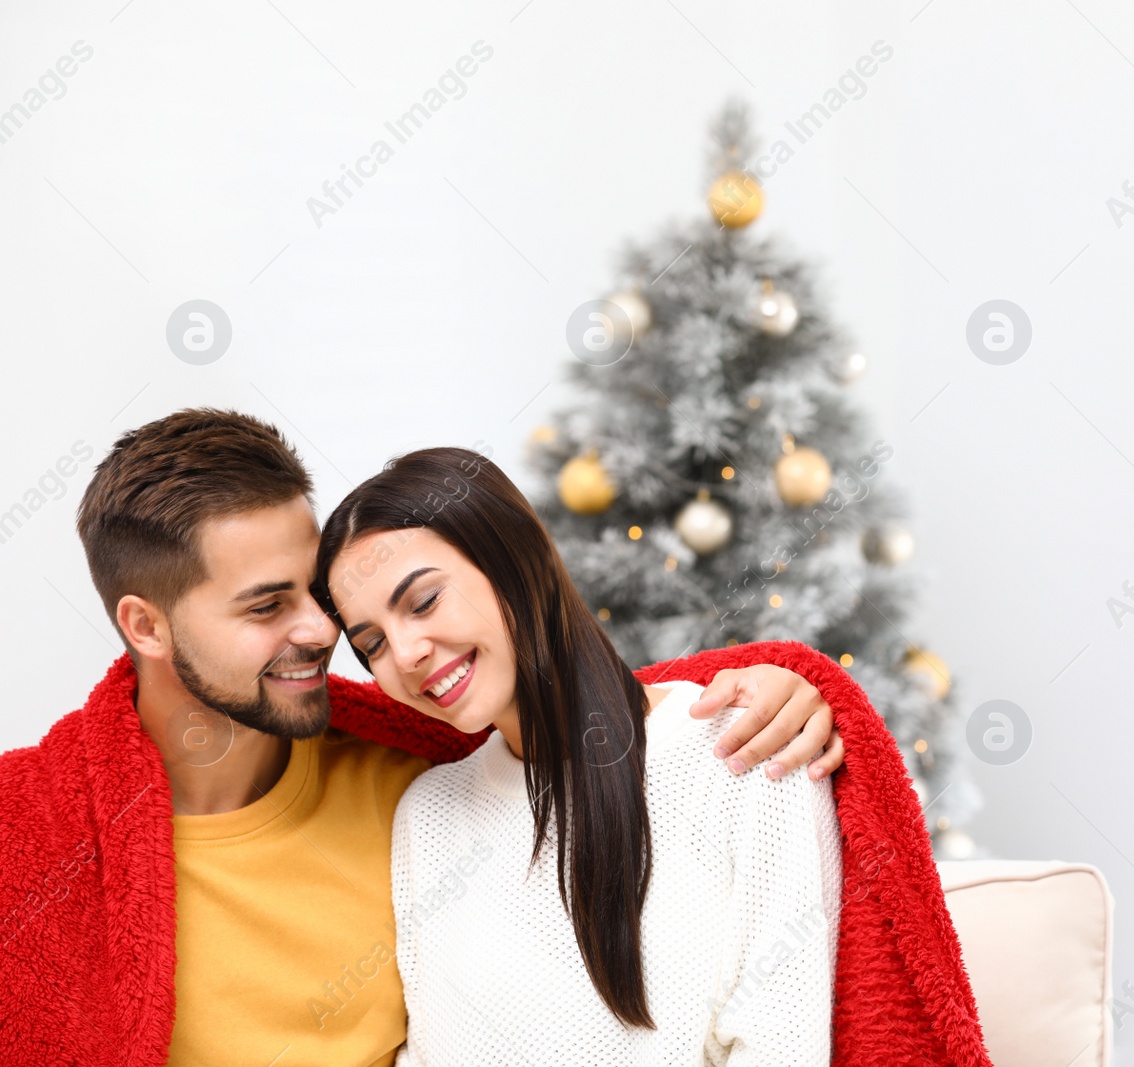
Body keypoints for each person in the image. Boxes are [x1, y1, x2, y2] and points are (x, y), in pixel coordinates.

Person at [0, 408, 853, 1067]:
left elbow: (580, 712)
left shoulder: (397, 776)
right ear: (145, 626)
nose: (319, 634)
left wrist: (783, 676)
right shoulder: (36, 841)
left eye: (321, 602)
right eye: (267, 605)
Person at [316, 446, 842, 1064]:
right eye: (371, 643)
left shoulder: (746, 749)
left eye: (425, 601)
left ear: (516, 560)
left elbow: (780, 1046)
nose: (404, 655)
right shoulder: (427, 816)